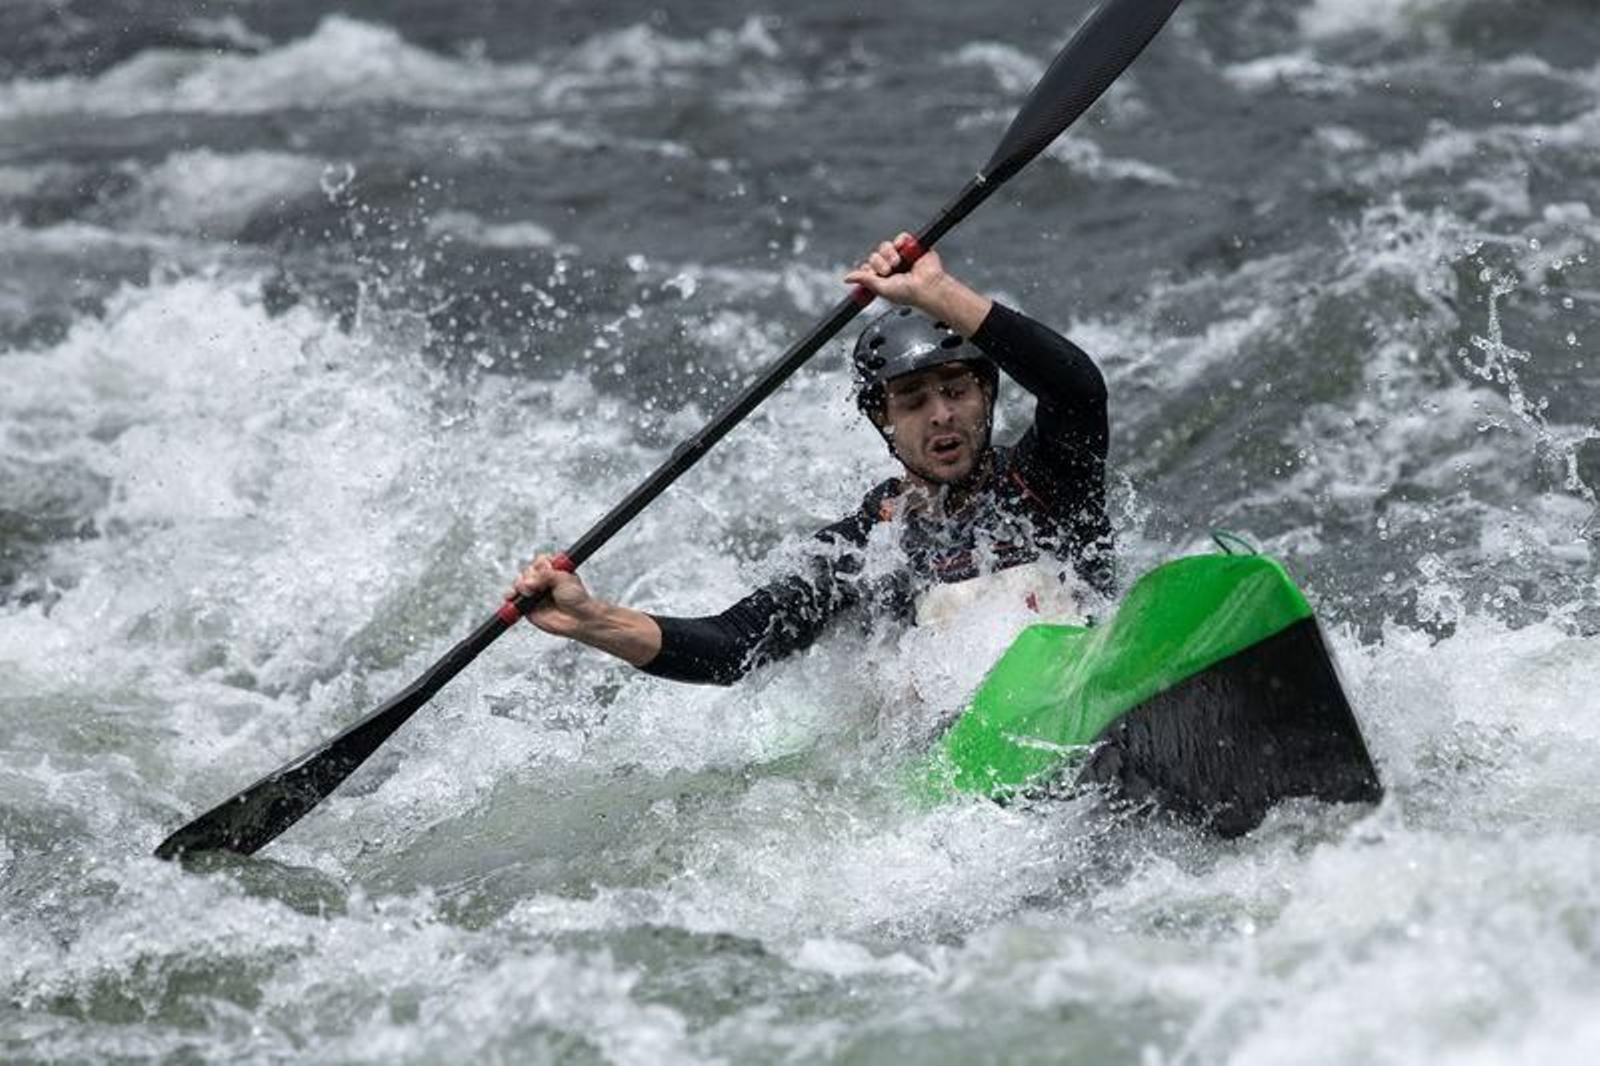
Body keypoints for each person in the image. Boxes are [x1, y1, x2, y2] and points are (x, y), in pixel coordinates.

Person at [509, 234, 1113, 684]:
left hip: (1084, 687)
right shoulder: (868, 548)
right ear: (882, 419)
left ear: (986, 395)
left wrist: (939, 294)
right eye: (913, 401)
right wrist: (593, 620)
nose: (941, 415)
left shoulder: (1048, 481)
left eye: (957, 391)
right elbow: (733, 646)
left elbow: (1078, 390)